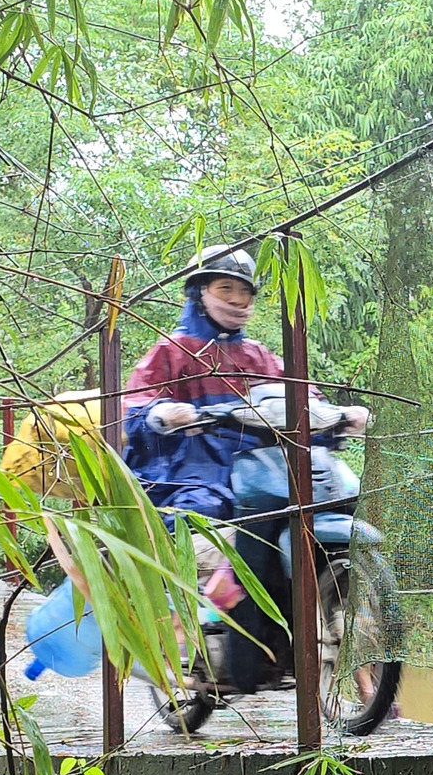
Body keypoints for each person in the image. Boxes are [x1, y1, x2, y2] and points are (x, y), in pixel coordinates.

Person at [121, 243, 370, 691]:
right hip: (194, 472)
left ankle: (290, 645)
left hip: (259, 469)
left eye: (245, 293)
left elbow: (301, 396)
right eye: (225, 289)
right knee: (217, 529)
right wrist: (162, 414)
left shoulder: (259, 356)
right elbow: (134, 404)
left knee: (318, 502)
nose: (238, 301)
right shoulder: (172, 351)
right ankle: (208, 644)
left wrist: (339, 415)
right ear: (200, 293)